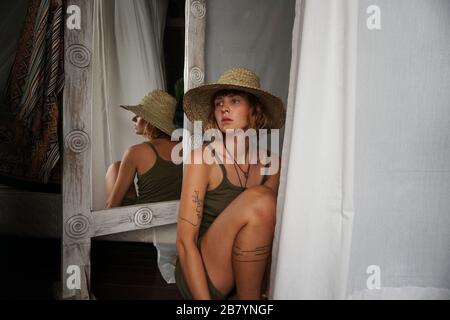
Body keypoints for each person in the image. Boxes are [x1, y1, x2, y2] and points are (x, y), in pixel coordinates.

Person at [175, 67, 286, 300]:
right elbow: (185, 242)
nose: (224, 108)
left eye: (235, 101)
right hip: (203, 275)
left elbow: (268, 232)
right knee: (263, 199)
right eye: (218, 103)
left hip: (245, 277)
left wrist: (267, 286)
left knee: (265, 206)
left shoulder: (272, 164)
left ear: (254, 112)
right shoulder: (202, 158)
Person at [105, 89, 182, 208]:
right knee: (118, 166)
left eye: (138, 115)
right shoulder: (184, 148)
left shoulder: (135, 152)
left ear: (149, 121)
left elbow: (112, 206)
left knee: (114, 168)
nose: (133, 119)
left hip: (144, 220)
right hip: (177, 215)